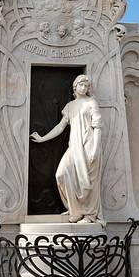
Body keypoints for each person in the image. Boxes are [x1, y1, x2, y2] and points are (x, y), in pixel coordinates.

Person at [30, 75, 104, 224]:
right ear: (74, 87)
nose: (83, 88)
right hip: (74, 146)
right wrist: (42, 138)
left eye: (86, 85)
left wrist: (95, 149)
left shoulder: (91, 102)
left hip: (88, 145)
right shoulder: (70, 106)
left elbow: (97, 127)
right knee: (61, 174)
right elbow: (60, 127)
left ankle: (89, 215)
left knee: (87, 183)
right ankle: (75, 210)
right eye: (81, 85)